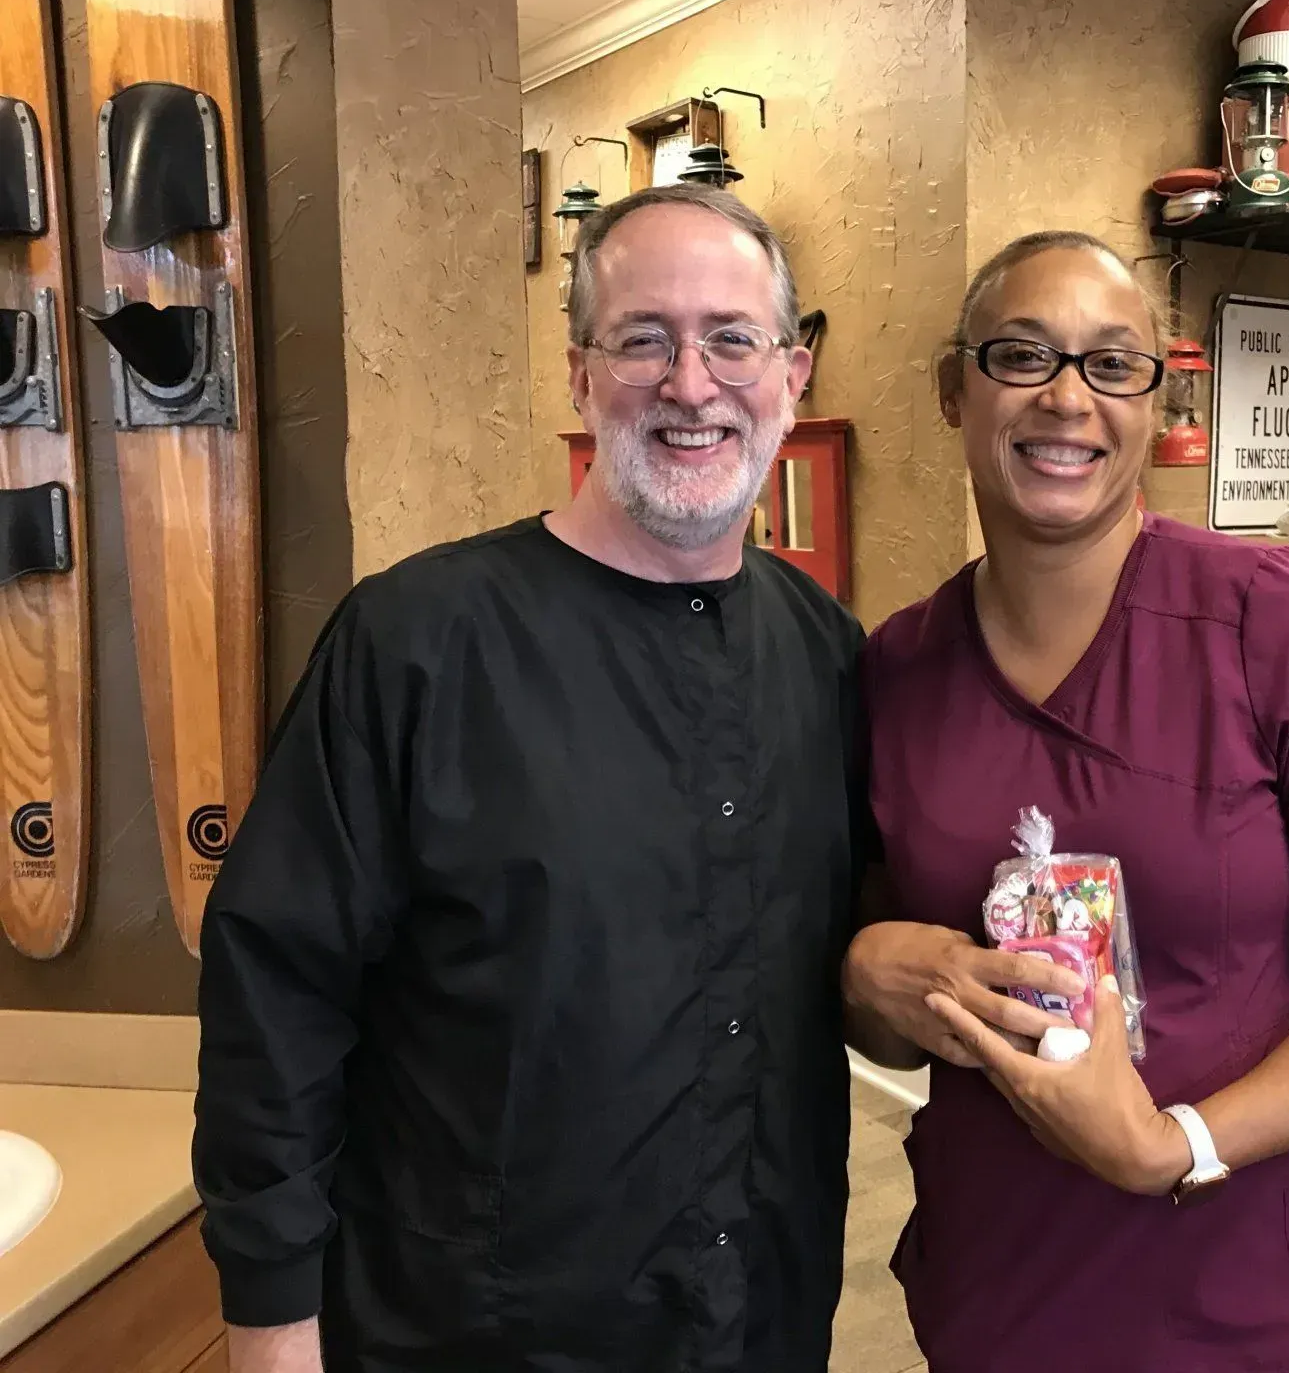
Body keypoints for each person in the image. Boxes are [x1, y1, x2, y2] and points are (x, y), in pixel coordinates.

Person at [194, 184, 869, 1373]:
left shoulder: (827, 654)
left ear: (792, 376)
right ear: (578, 375)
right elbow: (277, 997)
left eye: (731, 339)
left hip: (759, 1313)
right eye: (643, 339)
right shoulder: (418, 642)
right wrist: (272, 1320)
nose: (691, 384)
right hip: (476, 1332)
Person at [842, 230, 1289, 1371]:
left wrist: (1172, 1144)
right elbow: (891, 999)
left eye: (1113, 363)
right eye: (1021, 354)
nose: (1067, 397)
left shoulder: (1276, 624)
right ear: (952, 391)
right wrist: (868, 973)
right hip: (1009, 1291)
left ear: (1157, 400)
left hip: (1267, 1304)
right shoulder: (898, 670)